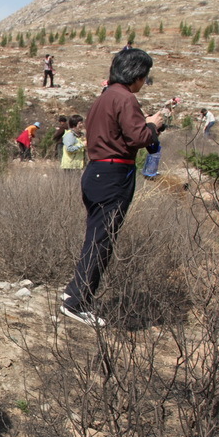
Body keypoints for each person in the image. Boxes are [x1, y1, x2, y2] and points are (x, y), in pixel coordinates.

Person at [60, 48, 167, 327]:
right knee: (102, 240)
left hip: (97, 171)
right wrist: (154, 125)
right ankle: (77, 303)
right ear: (137, 74)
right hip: (113, 173)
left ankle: (74, 291)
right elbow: (139, 136)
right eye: (144, 76)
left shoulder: (105, 97)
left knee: (96, 236)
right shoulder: (125, 98)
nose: (144, 82)